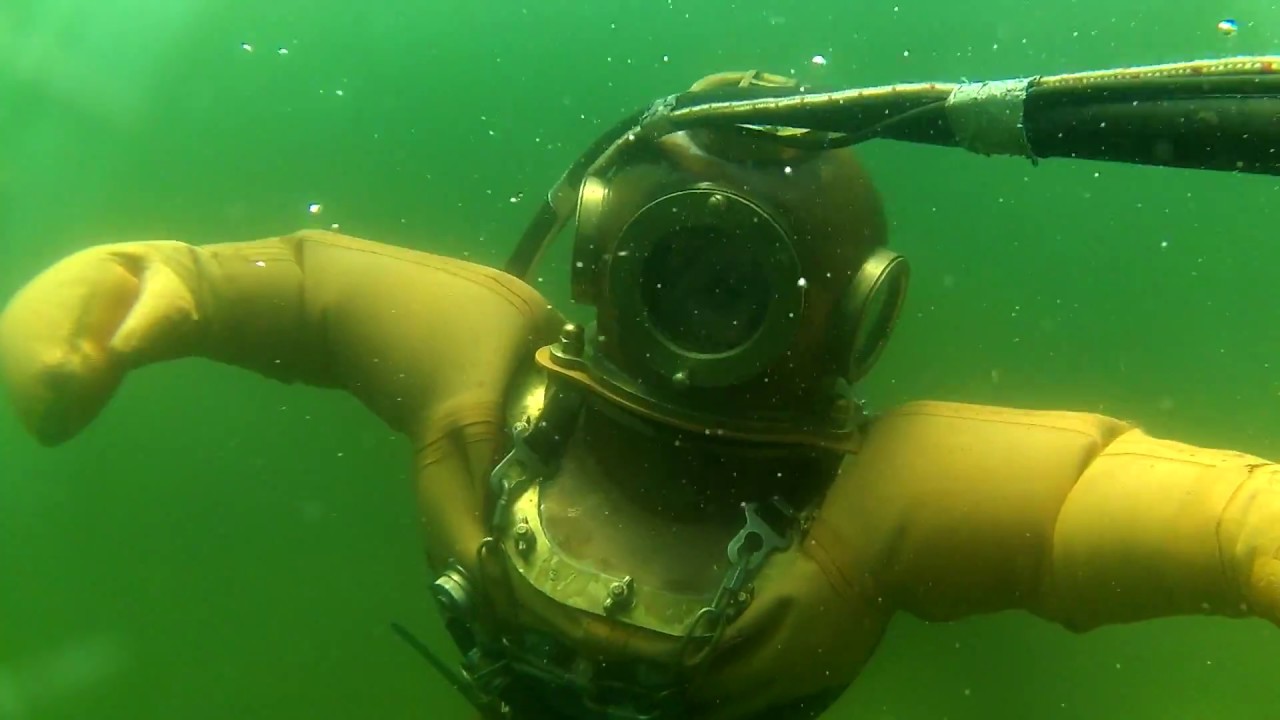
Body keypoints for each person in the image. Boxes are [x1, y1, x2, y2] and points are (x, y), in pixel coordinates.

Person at [3, 64, 1280, 720]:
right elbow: (270, 287)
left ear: (854, 307)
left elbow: (1207, 517)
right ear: (602, 265)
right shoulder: (483, 372)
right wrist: (137, 289)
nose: (710, 305)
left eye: (749, 281)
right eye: (689, 265)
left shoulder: (890, 503)